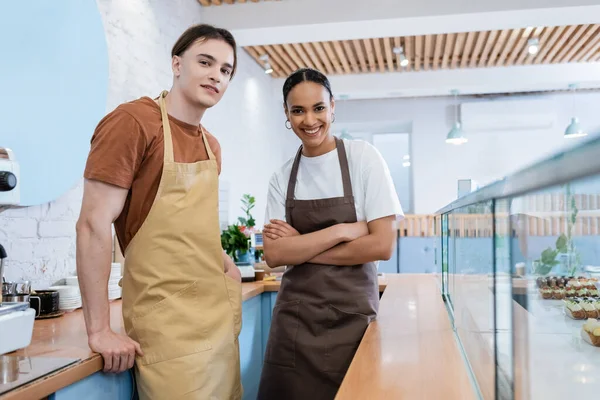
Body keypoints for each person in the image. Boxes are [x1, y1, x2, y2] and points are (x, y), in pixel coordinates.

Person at [76, 24, 243, 400]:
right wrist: (99, 329)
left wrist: (222, 261)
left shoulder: (211, 146)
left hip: (218, 324)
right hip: (167, 330)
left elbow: (188, 229)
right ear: (177, 64)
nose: (216, 74)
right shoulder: (134, 123)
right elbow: (92, 225)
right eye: (206, 61)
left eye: (226, 70)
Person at [257, 68, 404, 400]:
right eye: (298, 110)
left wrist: (302, 247)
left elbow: (382, 244)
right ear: (287, 114)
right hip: (294, 324)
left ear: (333, 107)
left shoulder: (363, 158)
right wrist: (341, 231)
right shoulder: (282, 178)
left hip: (352, 322)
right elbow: (275, 256)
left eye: (318, 108)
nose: (309, 120)